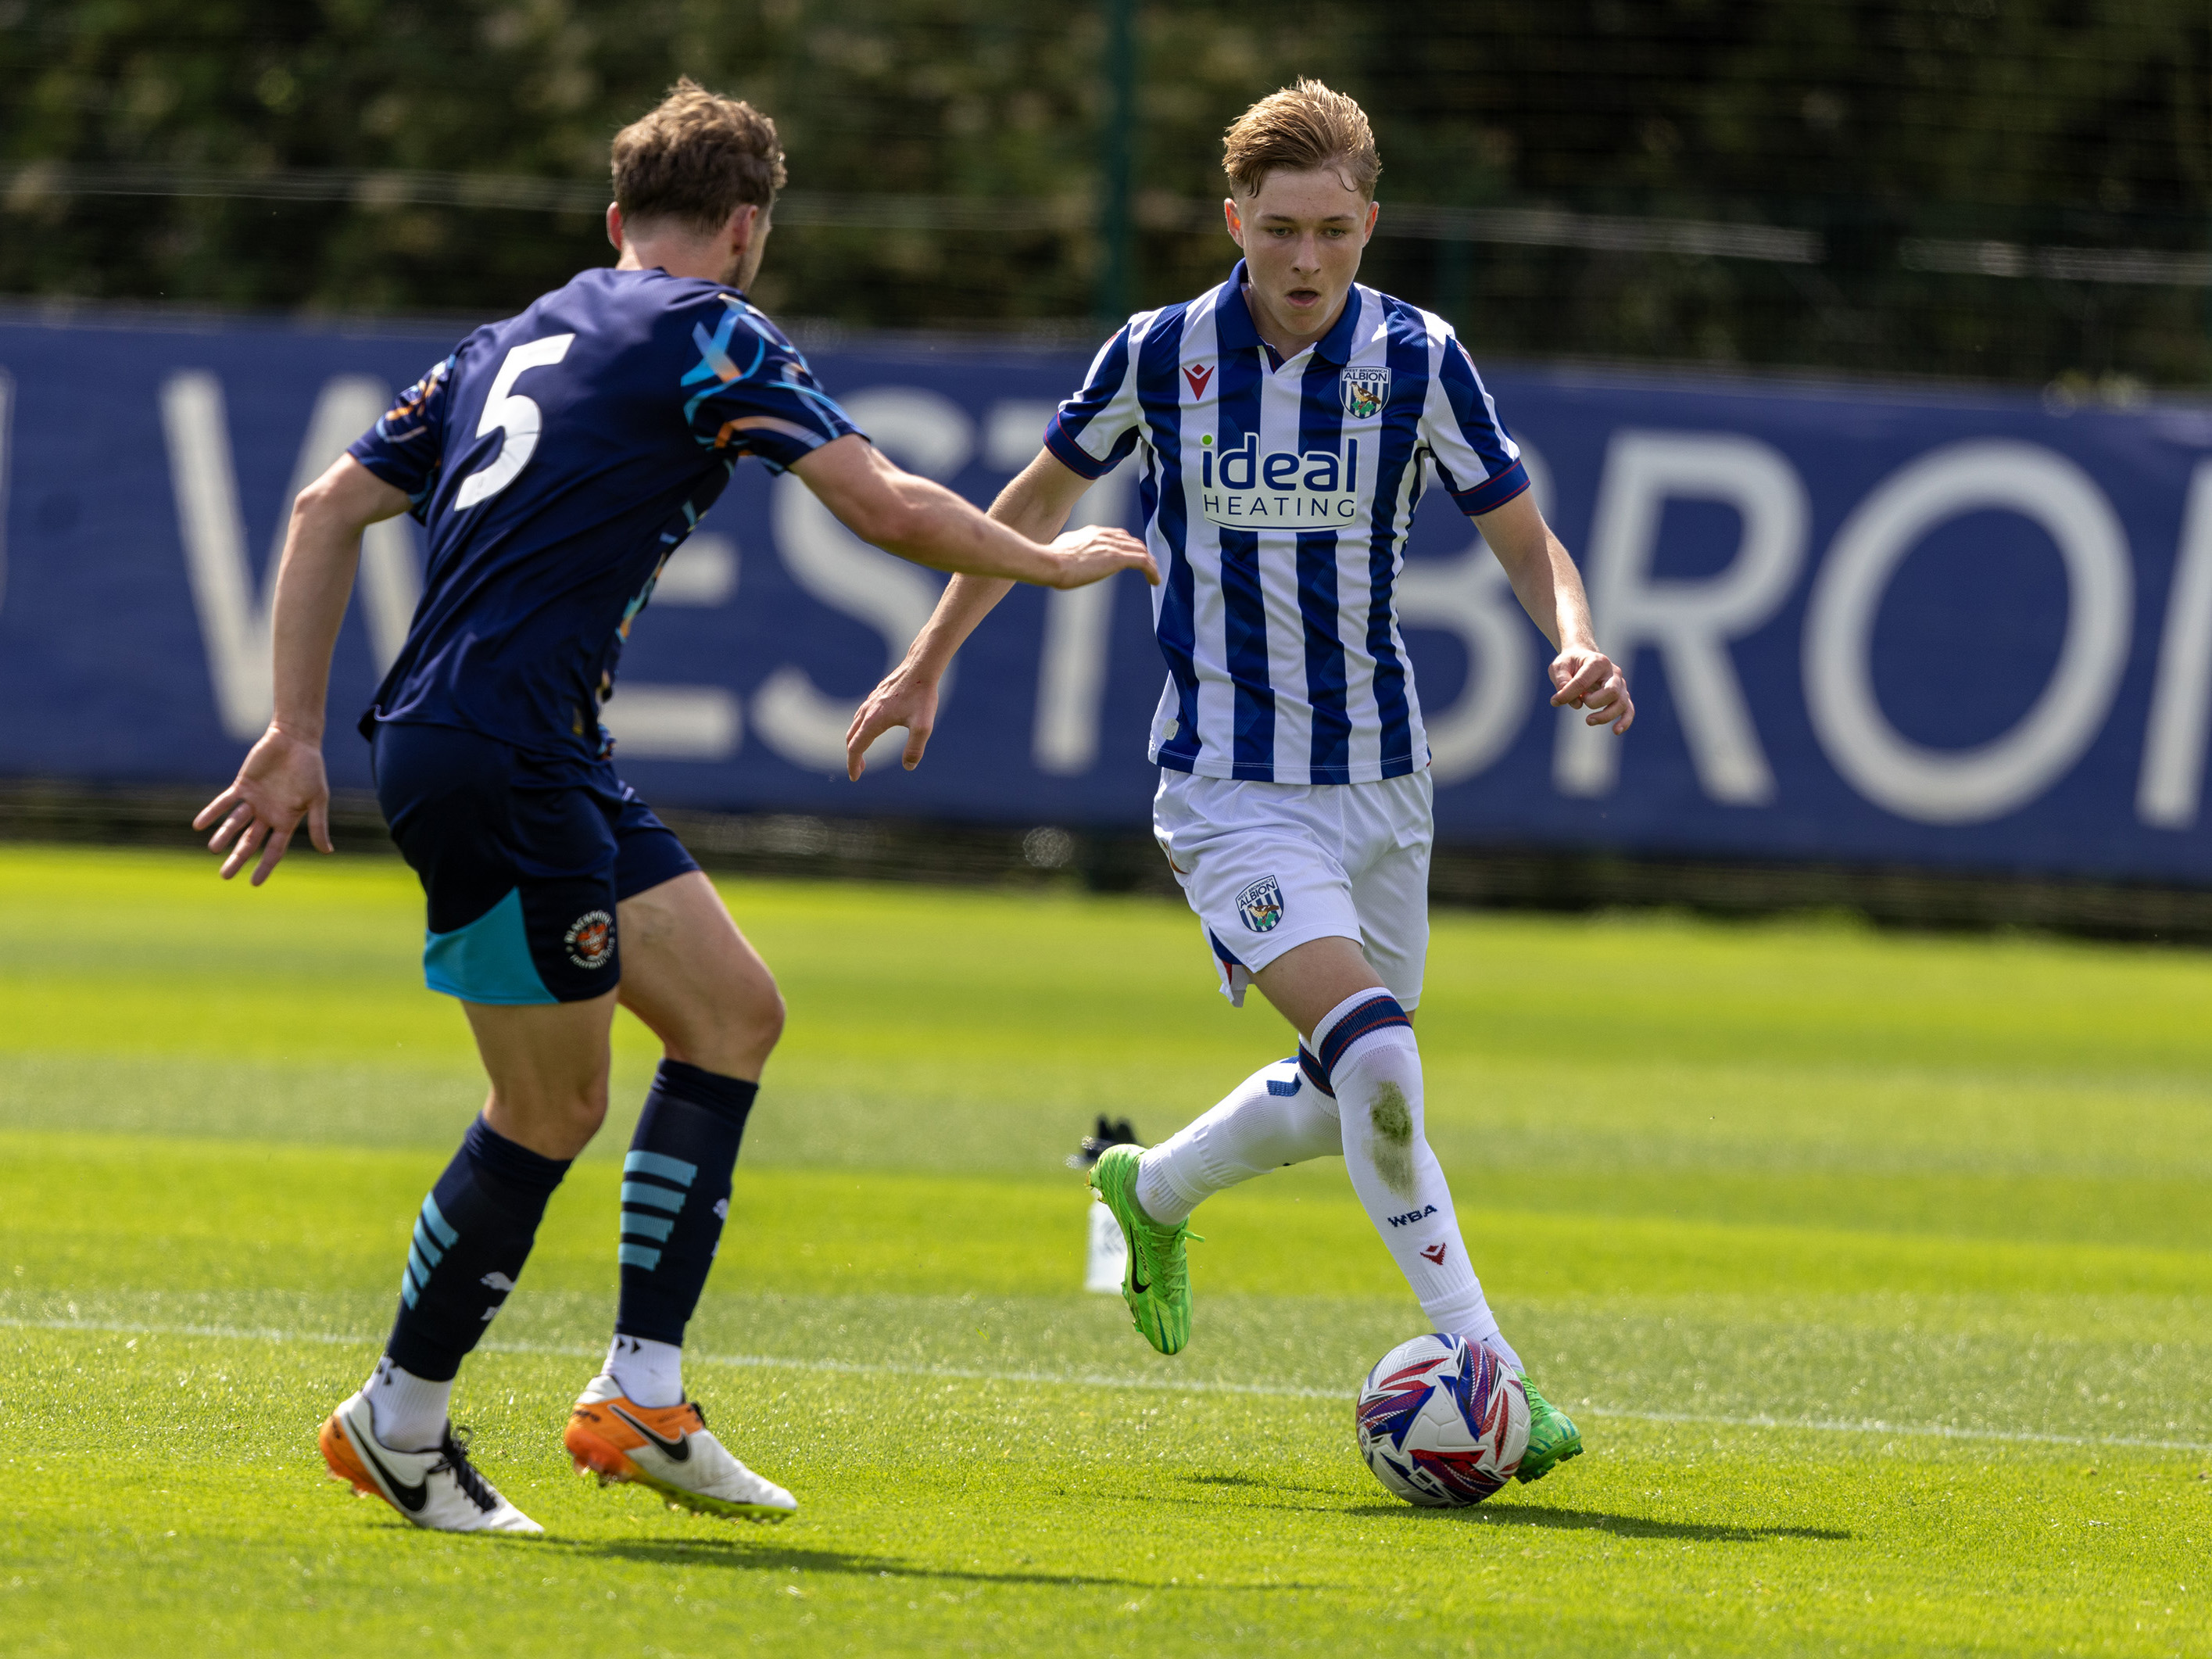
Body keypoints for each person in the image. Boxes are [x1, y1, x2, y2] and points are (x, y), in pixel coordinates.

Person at [193, 78, 1154, 1535]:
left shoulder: (511, 334)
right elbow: (885, 504)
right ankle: (399, 1416)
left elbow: (327, 509)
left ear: (614, 219)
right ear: (748, 227)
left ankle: (640, 1388)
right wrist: (1060, 563)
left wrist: (295, 728)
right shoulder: (715, 330)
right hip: (503, 753)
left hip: (519, 748)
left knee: (729, 1014)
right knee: (550, 1102)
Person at [846, 79, 1631, 1485]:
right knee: (1380, 1059)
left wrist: (1574, 637)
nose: (1309, 260)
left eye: (1335, 230)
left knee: (1349, 1095)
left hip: (1384, 781)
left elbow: (1526, 539)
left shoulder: (1419, 356)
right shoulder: (1161, 355)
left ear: (1369, 223)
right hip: (1224, 783)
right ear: (1233, 222)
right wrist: (927, 660)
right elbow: (1025, 509)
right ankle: (1490, 1372)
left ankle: (1143, 1192)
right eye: (1281, 230)